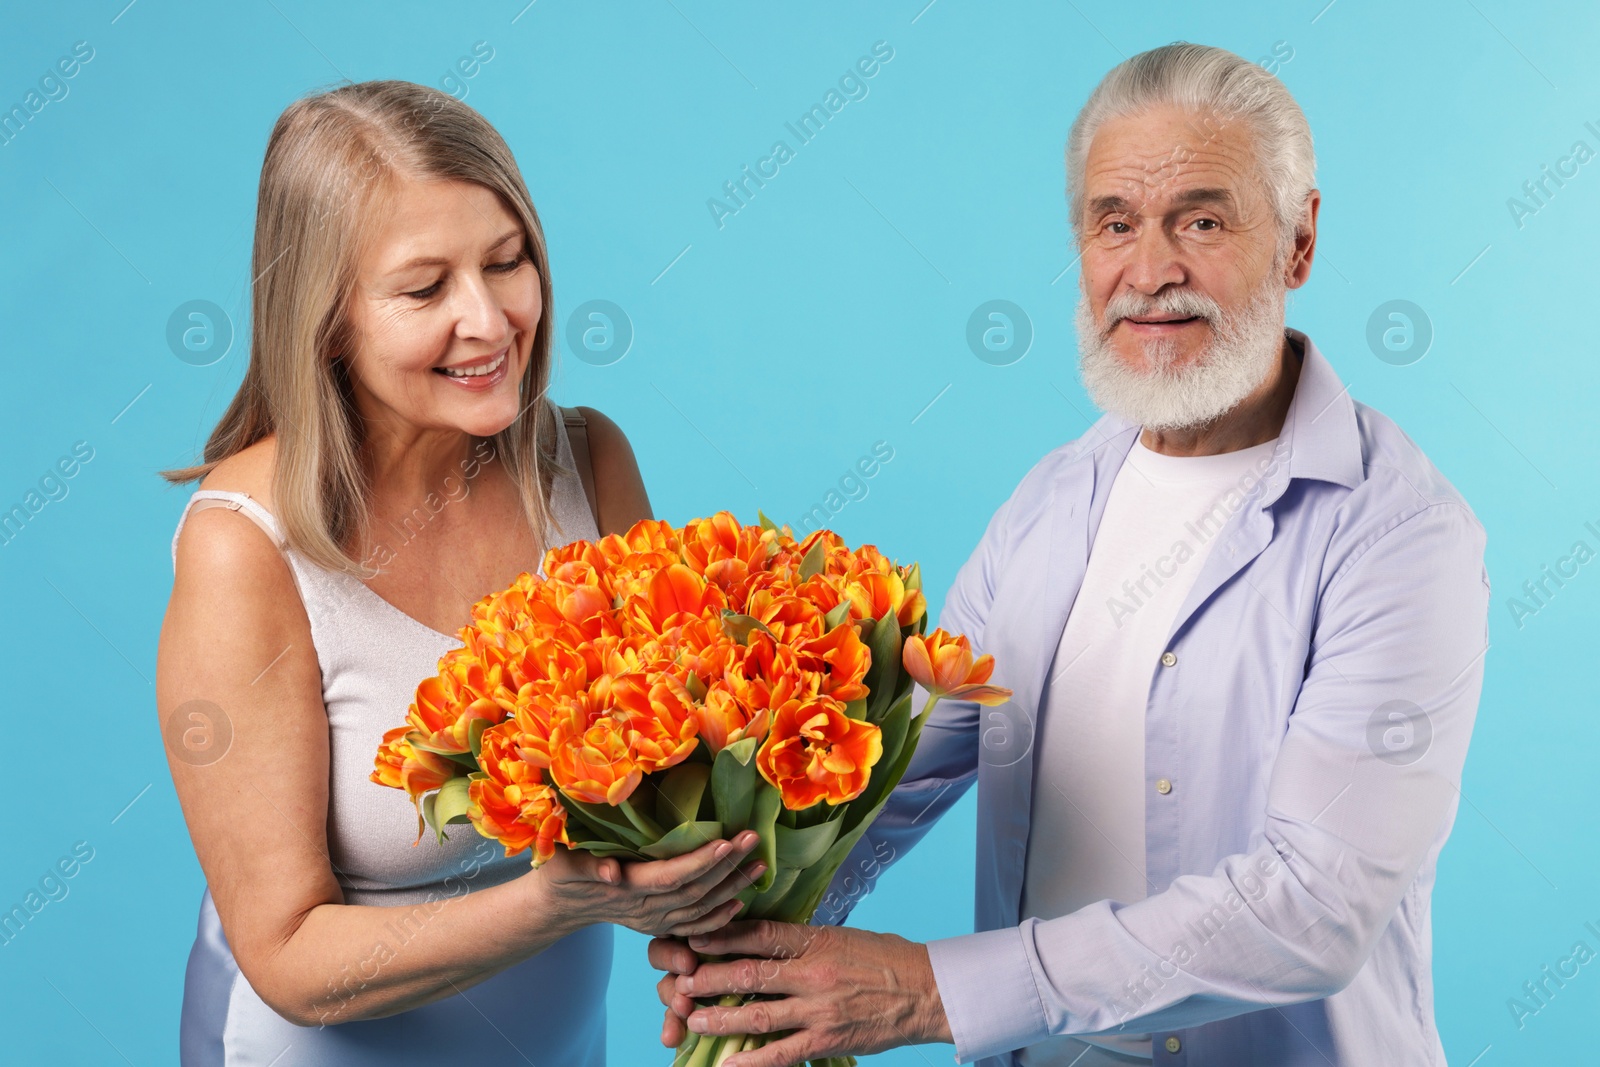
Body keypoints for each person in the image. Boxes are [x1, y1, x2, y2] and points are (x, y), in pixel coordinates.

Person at [649, 42, 1490, 1067]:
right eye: (1115, 223)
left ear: (1300, 240)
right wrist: (735, 897)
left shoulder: (1399, 535)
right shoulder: (1050, 502)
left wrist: (925, 991)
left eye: (1202, 220)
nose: (1150, 272)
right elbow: (901, 769)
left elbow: (1313, 905)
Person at [157, 80, 761, 1067]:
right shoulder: (247, 548)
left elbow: (670, 768)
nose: (486, 321)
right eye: (425, 287)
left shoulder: (588, 462)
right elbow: (289, 956)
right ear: (328, 319)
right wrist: (554, 902)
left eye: (506, 260)